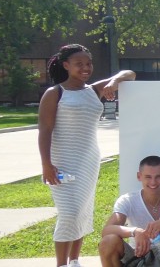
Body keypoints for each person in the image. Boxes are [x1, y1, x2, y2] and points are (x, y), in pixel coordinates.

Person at [38, 44, 135, 267]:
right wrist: (46, 164)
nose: (85, 68)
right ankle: (62, 264)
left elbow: (130, 74)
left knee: (82, 211)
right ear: (66, 66)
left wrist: (113, 82)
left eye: (89, 63)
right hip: (62, 161)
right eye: (79, 64)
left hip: (89, 160)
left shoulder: (93, 90)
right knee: (69, 212)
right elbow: (44, 130)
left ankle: (74, 260)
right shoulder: (55, 93)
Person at [98, 155, 160, 267]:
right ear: (139, 176)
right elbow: (107, 230)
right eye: (148, 177)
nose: (153, 182)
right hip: (137, 255)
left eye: (158, 177)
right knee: (108, 241)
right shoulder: (127, 199)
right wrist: (135, 231)